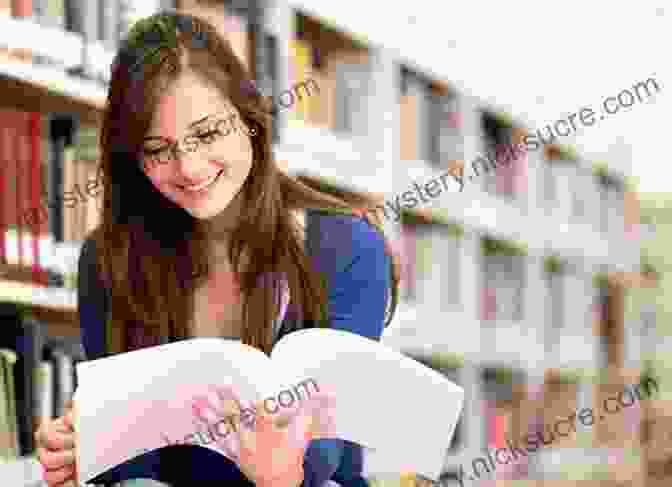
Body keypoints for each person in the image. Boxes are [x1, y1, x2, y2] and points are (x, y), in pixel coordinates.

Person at [34, 9, 400, 487]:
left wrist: (284, 475)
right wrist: (88, 453)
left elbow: (321, 461)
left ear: (249, 119)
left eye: (206, 134)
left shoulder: (347, 251)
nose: (187, 167)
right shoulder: (107, 262)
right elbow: (134, 466)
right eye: (157, 149)